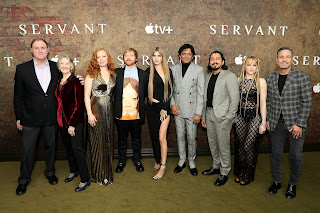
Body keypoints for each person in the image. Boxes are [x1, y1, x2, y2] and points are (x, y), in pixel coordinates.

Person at [14, 38, 59, 196]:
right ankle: (24, 180)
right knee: (27, 150)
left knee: (51, 147)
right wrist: (19, 117)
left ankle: (50, 172)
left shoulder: (56, 67)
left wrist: (79, 80)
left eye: (43, 47)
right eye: (36, 48)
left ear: (48, 49)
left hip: (51, 117)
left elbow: (67, 83)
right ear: (31, 50)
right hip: (29, 117)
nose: (40, 50)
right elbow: (18, 96)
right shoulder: (22, 69)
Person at [266, 47, 312, 199]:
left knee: (295, 155)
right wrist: (267, 119)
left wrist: (300, 123)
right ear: (276, 60)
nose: (284, 59)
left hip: (295, 124)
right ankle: (277, 182)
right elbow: (267, 101)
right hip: (275, 123)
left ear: (292, 59)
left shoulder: (302, 76)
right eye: (281, 57)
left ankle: (292, 184)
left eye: (287, 57)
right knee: (276, 154)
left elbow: (307, 102)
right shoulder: (270, 77)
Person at [201, 51, 239, 186]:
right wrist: (204, 116)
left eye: (218, 59)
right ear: (209, 62)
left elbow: (235, 100)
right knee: (212, 143)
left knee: (223, 146)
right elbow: (205, 99)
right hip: (209, 114)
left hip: (223, 117)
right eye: (212, 59)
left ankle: (224, 171)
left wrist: (229, 117)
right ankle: (216, 166)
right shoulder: (207, 77)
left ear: (223, 62)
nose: (214, 61)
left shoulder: (230, 76)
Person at [55, 55, 90, 192]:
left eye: (67, 63)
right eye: (62, 63)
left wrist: (72, 124)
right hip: (61, 121)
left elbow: (78, 105)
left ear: (71, 65)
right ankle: (73, 170)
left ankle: (85, 178)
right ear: (59, 66)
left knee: (77, 149)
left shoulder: (75, 81)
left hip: (74, 122)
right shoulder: (59, 81)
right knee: (69, 148)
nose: (64, 66)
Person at [170, 44, 205, 176]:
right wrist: (172, 104)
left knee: (191, 137)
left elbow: (201, 93)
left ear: (193, 56)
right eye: (183, 53)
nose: (186, 56)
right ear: (179, 55)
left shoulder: (199, 70)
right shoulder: (173, 69)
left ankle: (191, 161)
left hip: (192, 110)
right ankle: (181, 161)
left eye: (189, 54)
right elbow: (170, 90)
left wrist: (198, 113)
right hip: (178, 109)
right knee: (180, 136)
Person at [233, 56, 267, 186]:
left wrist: (263, 122)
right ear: (244, 66)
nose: (251, 68)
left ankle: (248, 173)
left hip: (255, 117)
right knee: (241, 146)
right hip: (240, 116)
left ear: (257, 67)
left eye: (254, 65)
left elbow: (263, 103)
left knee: (248, 146)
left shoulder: (261, 81)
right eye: (249, 65)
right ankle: (240, 171)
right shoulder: (238, 80)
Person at [84, 48, 116, 186]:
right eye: (98, 57)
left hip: (109, 110)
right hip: (96, 109)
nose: (101, 59)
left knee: (108, 140)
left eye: (104, 56)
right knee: (97, 141)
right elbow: (86, 96)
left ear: (107, 58)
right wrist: (89, 114)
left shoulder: (113, 74)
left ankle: (107, 173)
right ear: (95, 60)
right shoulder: (91, 75)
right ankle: (96, 174)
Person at [114, 48, 148, 173]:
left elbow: (146, 93)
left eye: (131, 55)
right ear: (123, 58)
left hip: (137, 113)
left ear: (136, 58)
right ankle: (121, 161)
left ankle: (137, 160)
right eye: (126, 55)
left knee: (136, 139)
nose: (128, 57)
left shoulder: (143, 74)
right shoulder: (116, 72)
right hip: (121, 113)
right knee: (122, 139)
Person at [146, 47, 173, 179]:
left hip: (164, 110)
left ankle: (162, 166)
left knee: (162, 138)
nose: (156, 58)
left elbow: (171, 92)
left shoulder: (168, 71)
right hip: (151, 109)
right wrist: (148, 96)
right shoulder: (148, 71)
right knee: (155, 136)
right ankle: (157, 158)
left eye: (159, 55)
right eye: (154, 55)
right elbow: (140, 86)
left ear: (163, 57)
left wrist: (165, 108)